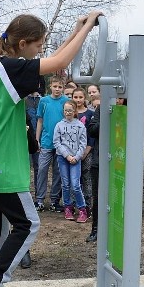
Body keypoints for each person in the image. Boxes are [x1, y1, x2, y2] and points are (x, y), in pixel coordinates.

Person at [0, 10, 102, 287]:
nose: (40, 51)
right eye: (38, 45)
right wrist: (87, 28)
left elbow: (51, 63)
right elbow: (60, 63)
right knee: (28, 223)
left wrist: (76, 29)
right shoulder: (9, 67)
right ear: (23, 43)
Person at [35, 75, 68, 212]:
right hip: (46, 141)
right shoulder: (44, 101)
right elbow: (40, 121)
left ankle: (55, 200)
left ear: (63, 88)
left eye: (60, 87)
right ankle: (39, 200)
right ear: (50, 87)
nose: (57, 89)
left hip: (61, 143)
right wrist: (37, 139)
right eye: (55, 86)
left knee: (58, 172)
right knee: (42, 170)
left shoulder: (66, 101)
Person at [53, 99, 88, 223]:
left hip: (76, 159)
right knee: (66, 184)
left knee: (75, 184)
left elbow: (83, 143)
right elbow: (57, 142)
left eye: (70, 110)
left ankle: (82, 209)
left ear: (74, 111)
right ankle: (68, 207)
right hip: (63, 158)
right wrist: (67, 156)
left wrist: (76, 157)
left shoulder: (80, 125)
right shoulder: (59, 125)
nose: (68, 112)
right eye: (66, 110)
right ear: (63, 111)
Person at [72, 87, 94, 215]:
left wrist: (87, 150)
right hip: (72, 153)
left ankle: (88, 205)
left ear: (84, 98)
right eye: (75, 97)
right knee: (74, 180)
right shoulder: (69, 113)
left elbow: (91, 135)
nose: (78, 100)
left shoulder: (90, 114)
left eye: (80, 97)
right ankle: (75, 205)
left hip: (86, 152)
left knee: (86, 178)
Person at [86, 105, 100, 242]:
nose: (118, 100)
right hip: (99, 161)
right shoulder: (102, 108)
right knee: (98, 197)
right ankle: (96, 229)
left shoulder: (130, 109)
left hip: (121, 161)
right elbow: (92, 130)